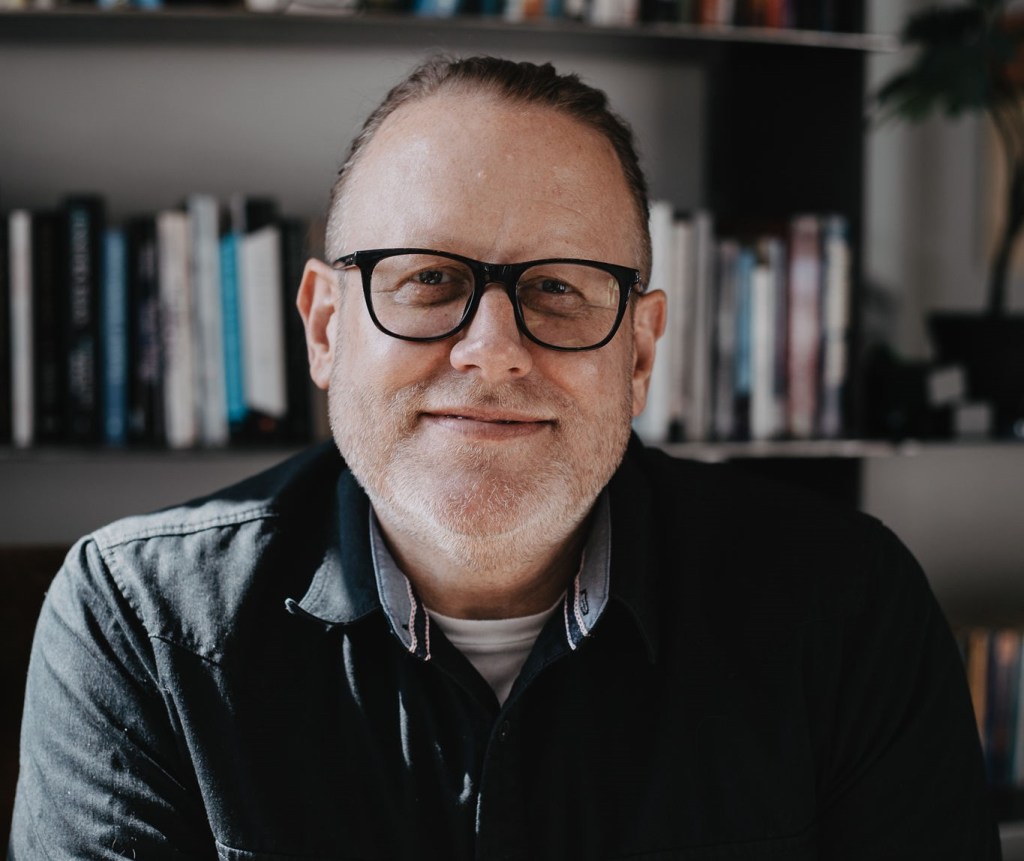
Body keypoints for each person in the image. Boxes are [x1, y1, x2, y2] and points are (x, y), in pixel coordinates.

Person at [9, 55, 999, 859]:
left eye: (561, 288)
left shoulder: (846, 608)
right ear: (323, 327)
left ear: (642, 350)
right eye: (427, 279)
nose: (492, 350)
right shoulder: (138, 624)